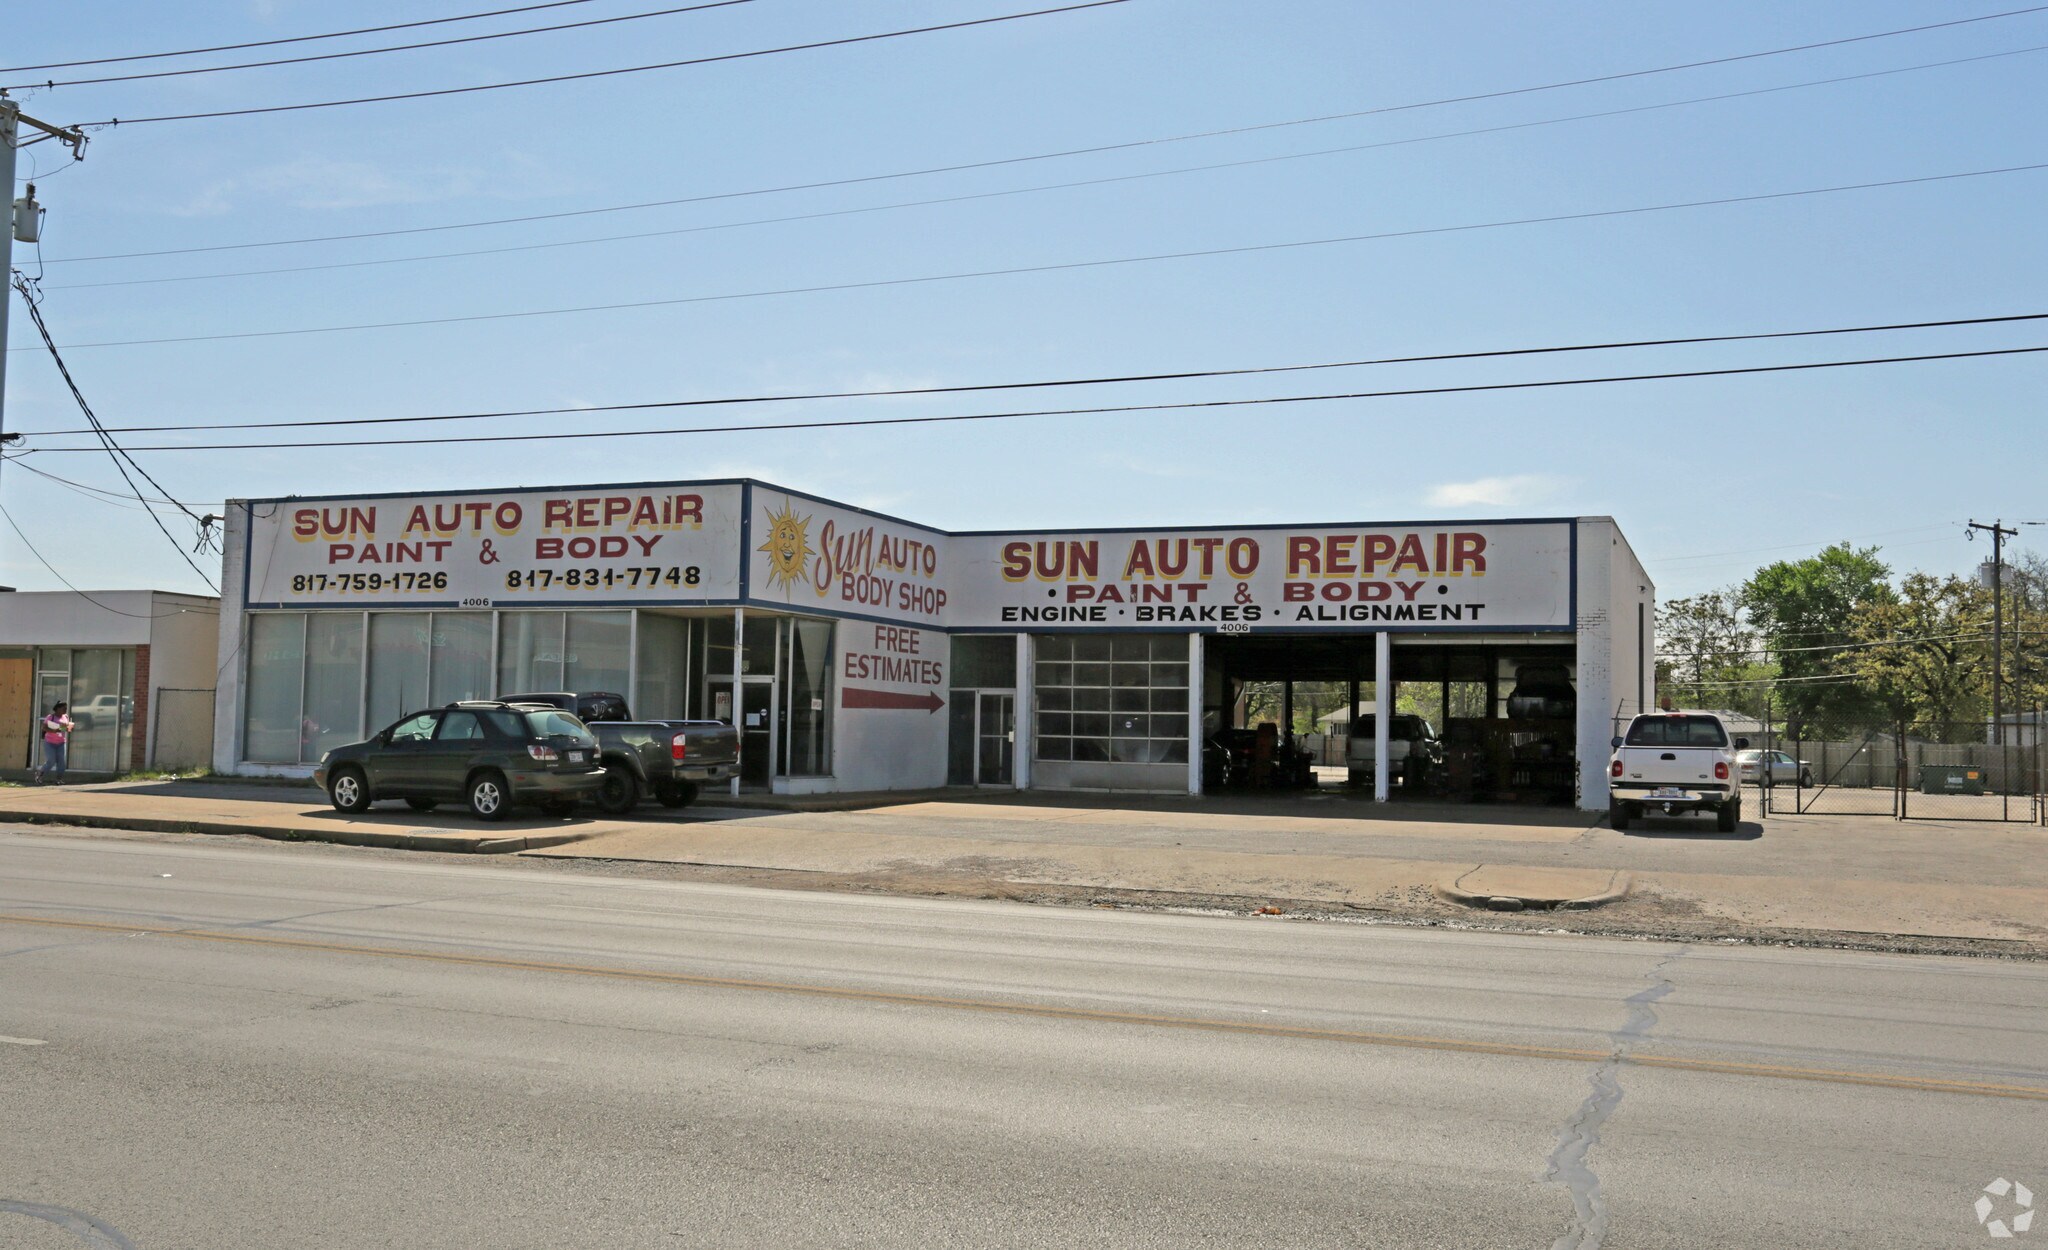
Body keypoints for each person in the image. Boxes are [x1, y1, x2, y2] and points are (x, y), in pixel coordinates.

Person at [34, 702, 74, 784]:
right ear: (58, 709)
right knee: (51, 760)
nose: (66, 710)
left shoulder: (65, 716)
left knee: (61, 762)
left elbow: (68, 728)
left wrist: (68, 727)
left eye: (66, 708)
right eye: (64, 708)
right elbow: (44, 727)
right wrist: (54, 730)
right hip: (50, 742)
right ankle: (40, 774)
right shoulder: (50, 717)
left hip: (61, 742)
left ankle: (59, 779)